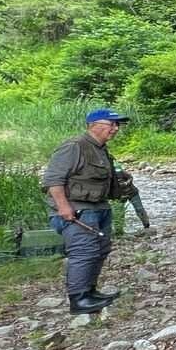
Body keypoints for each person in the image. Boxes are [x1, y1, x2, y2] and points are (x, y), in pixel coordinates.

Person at [41, 109, 130, 314]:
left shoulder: (101, 149)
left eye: (117, 125)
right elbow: (53, 180)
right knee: (84, 252)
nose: (115, 129)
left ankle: (90, 292)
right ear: (93, 125)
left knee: (100, 250)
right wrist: (63, 207)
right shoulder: (74, 146)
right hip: (77, 210)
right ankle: (79, 300)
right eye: (111, 124)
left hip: (99, 207)